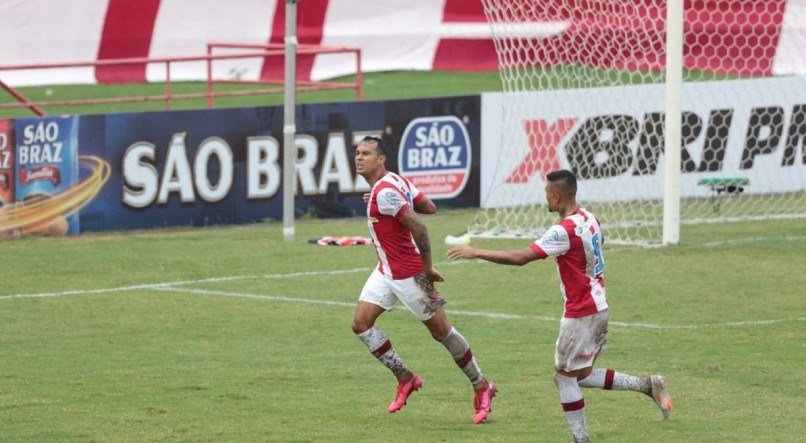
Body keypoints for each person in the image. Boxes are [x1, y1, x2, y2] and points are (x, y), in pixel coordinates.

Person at [447, 169, 672, 442]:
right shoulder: (591, 218)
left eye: (546, 194)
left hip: (581, 312)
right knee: (581, 374)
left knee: (564, 378)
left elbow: (520, 257)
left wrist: (476, 252)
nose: (546, 198)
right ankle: (647, 385)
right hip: (600, 304)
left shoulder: (562, 230)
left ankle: (581, 438)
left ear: (556, 196)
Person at [350, 136, 497, 424]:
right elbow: (429, 206)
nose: (359, 157)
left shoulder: (386, 191)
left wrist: (428, 269)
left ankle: (482, 385)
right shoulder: (393, 183)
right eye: (357, 152)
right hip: (385, 270)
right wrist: (391, 201)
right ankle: (406, 378)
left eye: (366, 153)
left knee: (442, 333)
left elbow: (421, 225)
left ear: (381, 159)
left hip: (410, 273)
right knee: (361, 324)